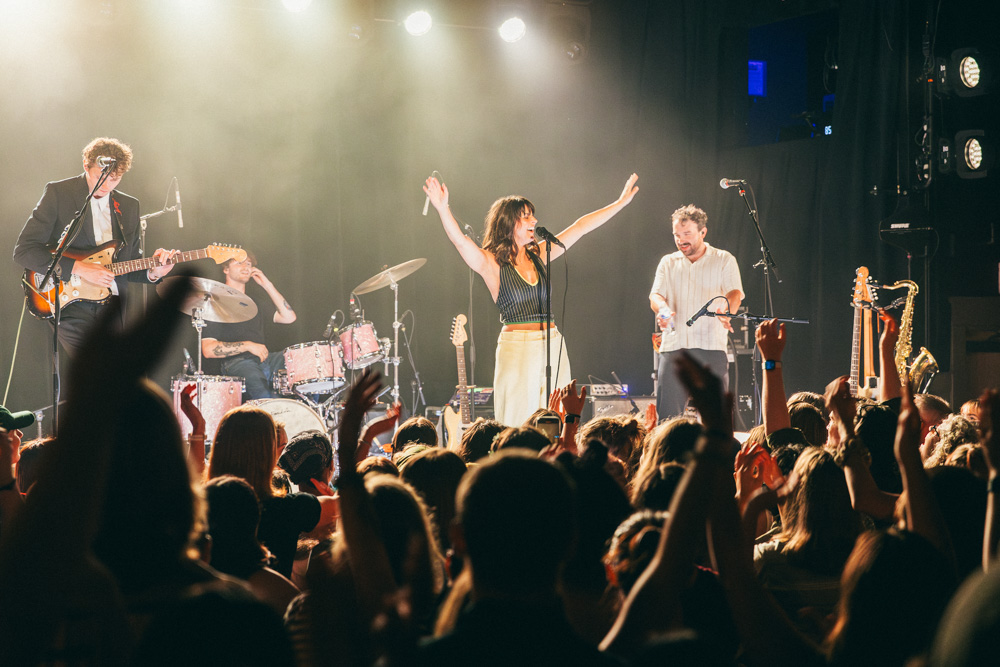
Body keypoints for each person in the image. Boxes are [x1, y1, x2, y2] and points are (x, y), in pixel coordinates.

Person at [423, 173, 639, 426]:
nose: (534, 220)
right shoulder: (491, 262)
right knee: (519, 419)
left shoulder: (540, 253)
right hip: (517, 348)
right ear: (508, 223)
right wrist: (442, 208)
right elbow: (460, 242)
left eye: (532, 215)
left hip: (553, 343)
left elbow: (580, 227)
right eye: (526, 216)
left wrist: (620, 203)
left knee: (556, 418)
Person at [13, 137, 178, 354]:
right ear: (86, 164)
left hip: (113, 306)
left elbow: (126, 265)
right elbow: (24, 251)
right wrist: (80, 268)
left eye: (115, 179)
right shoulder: (59, 193)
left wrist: (154, 272)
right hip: (70, 302)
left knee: (112, 379)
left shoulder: (129, 206)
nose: (107, 185)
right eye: (102, 177)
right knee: (97, 371)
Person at [649, 204, 743, 419]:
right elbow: (655, 296)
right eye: (677, 235)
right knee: (667, 420)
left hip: (711, 348)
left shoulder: (723, 259)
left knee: (717, 418)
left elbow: (735, 293)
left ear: (703, 232)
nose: (681, 239)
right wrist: (662, 309)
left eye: (687, 233)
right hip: (674, 348)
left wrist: (725, 309)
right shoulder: (668, 262)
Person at [201, 250, 297, 400]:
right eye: (239, 262)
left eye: (249, 263)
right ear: (226, 269)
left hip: (265, 360)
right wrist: (247, 345)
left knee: (301, 363)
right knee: (263, 396)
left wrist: (267, 285)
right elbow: (208, 349)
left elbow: (289, 317)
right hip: (237, 363)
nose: (246, 266)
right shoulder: (215, 302)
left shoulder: (256, 303)